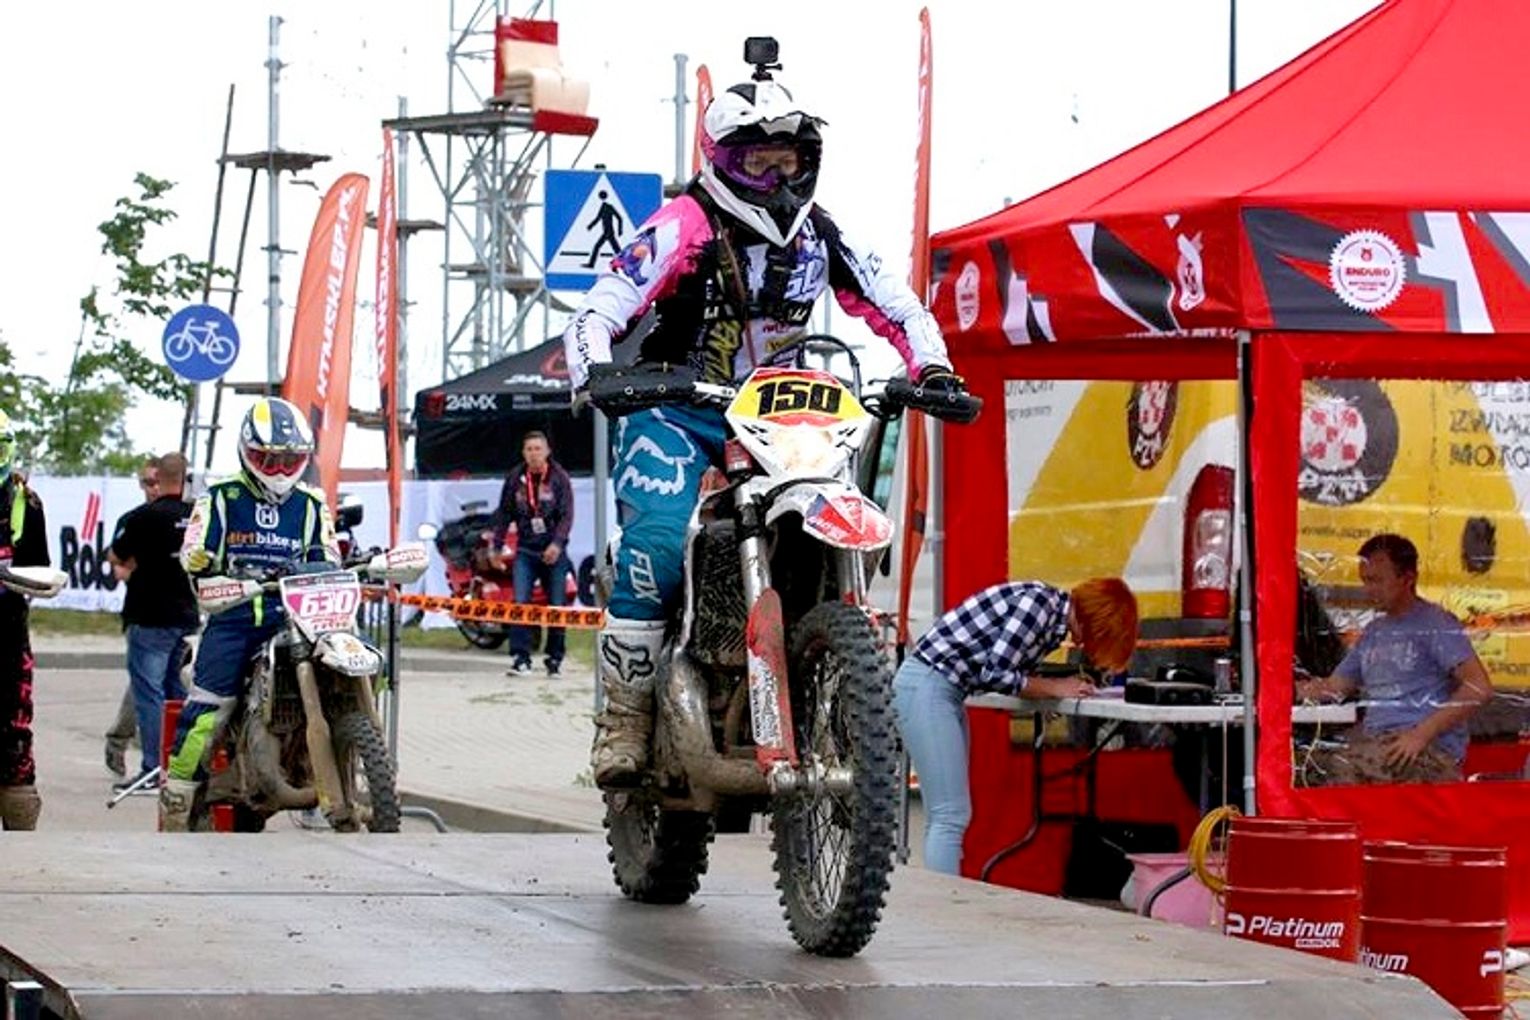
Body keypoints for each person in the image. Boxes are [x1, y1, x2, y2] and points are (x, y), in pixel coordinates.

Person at [563, 46, 965, 787]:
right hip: (677, 407)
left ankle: (832, 673)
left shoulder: (822, 234)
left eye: (789, 163)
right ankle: (624, 719)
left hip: (783, 411)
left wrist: (932, 369)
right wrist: (596, 372)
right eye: (759, 164)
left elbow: (898, 303)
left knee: (837, 520)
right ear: (724, 161)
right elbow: (601, 306)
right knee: (656, 543)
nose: (777, 181)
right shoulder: (683, 223)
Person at [161, 397, 338, 831]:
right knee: (208, 710)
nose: (279, 469)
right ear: (246, 452)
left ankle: (340, 774)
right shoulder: (220, 497)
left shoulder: (312, 504)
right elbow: (194, 553)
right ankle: (178, 799)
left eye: (289, 460)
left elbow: (328, 555)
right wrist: (200, 560)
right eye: (268, 459)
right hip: (236, 616)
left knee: (343, 673)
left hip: (298, 619)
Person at [892, 579, 1139, 875]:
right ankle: (946, 899)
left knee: (945, 815)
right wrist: (1054, 687)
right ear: (1094, 622)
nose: (1087, 647)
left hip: (941, 688)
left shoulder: (1048, 613)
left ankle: (944, 892)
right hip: (930, 687)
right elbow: (996, 674)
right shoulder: (1039, 607)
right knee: (950, 815)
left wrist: (1047, 690)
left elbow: (1007, 669)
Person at [1295, 533, 1492, 785]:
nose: (1369, 590)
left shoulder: (1435, 623)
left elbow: (1479, 687)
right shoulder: (1374, 632)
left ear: (1407, 579)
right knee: (1301, 767)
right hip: (1377, 745)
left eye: (1376, 580)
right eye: (1365, 581)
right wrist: (1284, 690)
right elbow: (1335, 687)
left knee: (1327, 773)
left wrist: (1421, 735)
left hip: (1425, 752)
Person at [106, 452, 198, 794]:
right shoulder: (197, 517)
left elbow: (117, 556)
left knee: (149, 695)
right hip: (186, 616)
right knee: (178, 693)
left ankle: (153, 769)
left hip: (149, 616)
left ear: (158, 478)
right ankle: (181, 768)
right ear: (185, 478)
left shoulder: (143, 517)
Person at [0, 410, 52, 830]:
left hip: (7, 633)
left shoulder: (26, 503)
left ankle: (19, 819)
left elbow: (41, 571)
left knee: (14, 726)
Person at [488, 430, 575, 677]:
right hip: (526, 550)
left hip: (553, 552)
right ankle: (520, 658)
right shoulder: (516, 478)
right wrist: (496, 546)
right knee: (520, 603)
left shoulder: (559, 478)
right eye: (529, 449)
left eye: (538, 449)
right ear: (523, 453)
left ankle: (554, 659)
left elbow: (567, 515)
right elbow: (504, 513)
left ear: (547, 451)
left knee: (557, 605)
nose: (534, 454)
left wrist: (557, 544)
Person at [103, 457, 161, 777]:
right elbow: (119, 566)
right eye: (147, 483)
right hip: (145, 611)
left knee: (163, 686)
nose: (153, 489)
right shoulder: (133, 520)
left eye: (157, 482)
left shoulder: (185, 516)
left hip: (182, 612)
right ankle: (121, 739)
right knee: (145, 684)